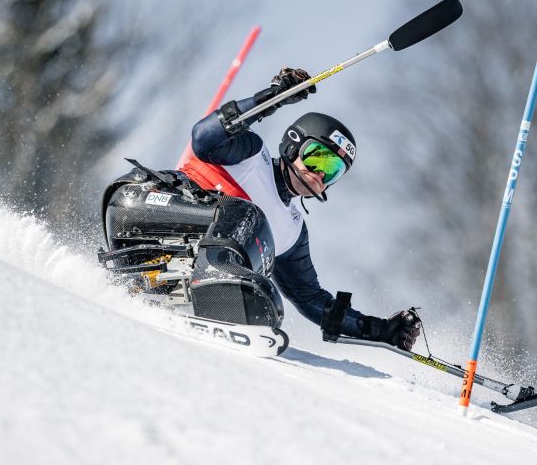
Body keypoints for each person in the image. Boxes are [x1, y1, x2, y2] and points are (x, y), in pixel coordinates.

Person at [179, 67, 421, 351]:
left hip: (185, 265)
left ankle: (219, 295)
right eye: (318, 160)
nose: (320, 175)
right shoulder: (251, 157)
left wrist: (380, 330)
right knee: (252, 215)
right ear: (294, 145)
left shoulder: (292, 230)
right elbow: (204, 137)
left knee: (269, 293)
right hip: (155, 206)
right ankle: (218, 283)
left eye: (332, 171)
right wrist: (273, 98)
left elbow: (309, 298)